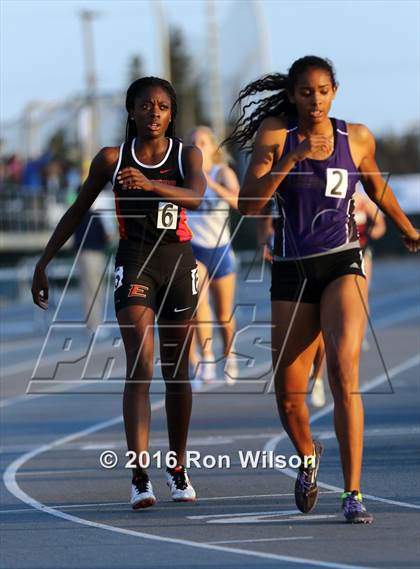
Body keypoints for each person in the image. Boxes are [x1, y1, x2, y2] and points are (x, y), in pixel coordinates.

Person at [225, 56, 419, 523]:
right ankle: (308, 457)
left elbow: (376, 188)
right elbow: (248, 205)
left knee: (344, 373)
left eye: (324, 90)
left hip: (342, 263)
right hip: (293, 270)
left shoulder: (357, 137)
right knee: (290, 396)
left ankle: (352, 493)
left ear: (335, 92)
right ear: (292, 95)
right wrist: (291, 159)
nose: (316, 100)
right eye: (307, 92)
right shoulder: (275, 134)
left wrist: (408, 229)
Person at [31, 77, 206, 510]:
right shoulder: (112, 159)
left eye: (163, 106)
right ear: (131, 110)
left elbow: (198, 197)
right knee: (141, 365)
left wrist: (150, 186)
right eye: (146, 106)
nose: (154, 113)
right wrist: (44, 260)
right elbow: (77, 210)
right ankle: (139, 476)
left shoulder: (186, 154)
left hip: (178, 263)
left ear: (172, 113)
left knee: (177, 371)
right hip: (134, 261)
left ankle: (178, 468)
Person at [186, 126, 240, 387]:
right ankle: (205, 359)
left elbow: (239, 202)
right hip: (193, 248)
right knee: (197, 302)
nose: (198, 146)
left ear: (213, 148)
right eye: (193, 142)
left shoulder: (223, 172)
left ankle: (229, 355)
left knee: (224, 314)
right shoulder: (183, 176)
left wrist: (211, 183)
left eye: (204, 142)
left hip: (220, 248)